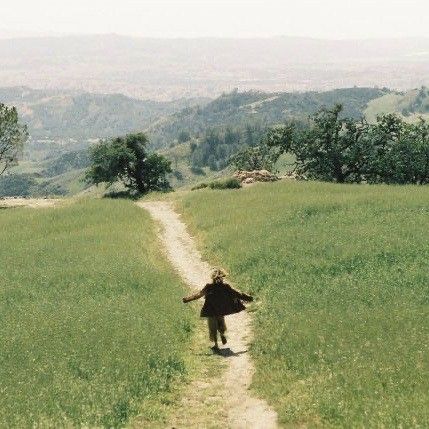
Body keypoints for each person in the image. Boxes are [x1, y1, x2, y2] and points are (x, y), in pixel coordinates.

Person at [182, 268, 254, 351]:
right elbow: (237, 293)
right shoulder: (226, 286)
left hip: (210, 309)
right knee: (221, 323)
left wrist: (187, 299)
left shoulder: (209, 286)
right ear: (222, 277)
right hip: (221, 309)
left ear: (212, 278)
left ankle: (216, 344)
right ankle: (222, 334)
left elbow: (199, 295)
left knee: (212, 327)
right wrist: (248, 298)